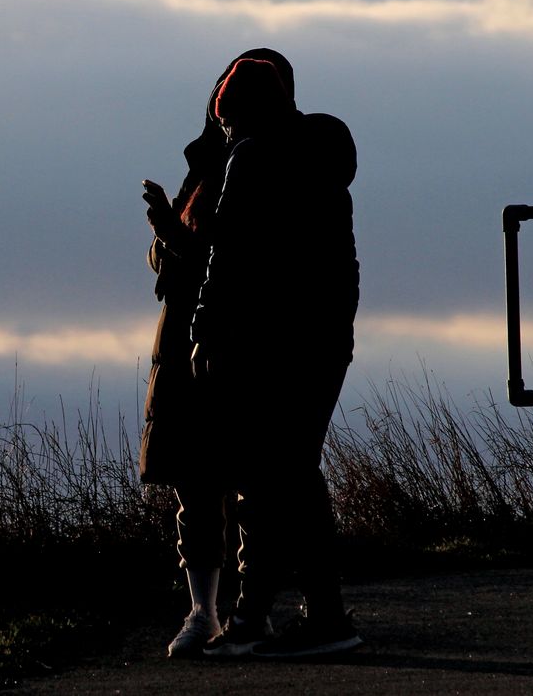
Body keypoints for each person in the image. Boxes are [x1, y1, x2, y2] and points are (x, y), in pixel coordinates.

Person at [191, 56, 362, 658]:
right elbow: (345, 263)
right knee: (293, 473)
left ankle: (319, 620)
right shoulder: (325, 153)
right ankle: (281, 615)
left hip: (271, 341)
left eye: (228, 121)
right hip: (326, 338)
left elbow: (228, 253)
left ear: (239, 113)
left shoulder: (251, 157)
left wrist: (206, 329)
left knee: (279, 476)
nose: (227, 133)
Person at [140, 49, 295, 658]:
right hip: (186, 335)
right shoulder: (207, 165)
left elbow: (231, 257)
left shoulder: (261, 164)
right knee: (197, 480)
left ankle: (245, 612)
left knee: (246, 478)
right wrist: (167, 234)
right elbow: (179, 259)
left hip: (232, 336)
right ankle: (205, 611)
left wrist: (173, 237)